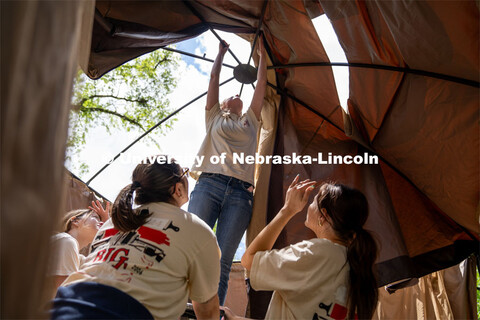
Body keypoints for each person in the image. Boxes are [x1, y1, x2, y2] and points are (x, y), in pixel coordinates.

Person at [51, 157, 221, 320]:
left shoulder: (113, 222)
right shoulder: (197, 230)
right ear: (177, 189)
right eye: (185, 174)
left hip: (61, 305)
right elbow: (207, 308)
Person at [224, 176, 378, 320]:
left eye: (313, 201)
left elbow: (249, 259)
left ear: (323, 216)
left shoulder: (316, 254)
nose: (308, 205)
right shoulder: (359, 267)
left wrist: (287, 210)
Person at [188, 37, 267, 305]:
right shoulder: (214, 117)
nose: (237, 95)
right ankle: (179, 309)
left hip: (239, 194)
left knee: (221, 260)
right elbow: (213, 78)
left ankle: (213, 313)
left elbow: (261, 90)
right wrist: (220, 55)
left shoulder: (251, 121)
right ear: (223, 103)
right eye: (231, 95)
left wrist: (263, 57)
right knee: (192, 248)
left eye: (239, 97)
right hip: (208, 185)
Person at [47, 201, 109, 293]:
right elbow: (65, 292)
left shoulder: (78, 258)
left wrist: (108, 226)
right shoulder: (66, 241)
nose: (100, 223)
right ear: (76, 221)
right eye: (95, 217)